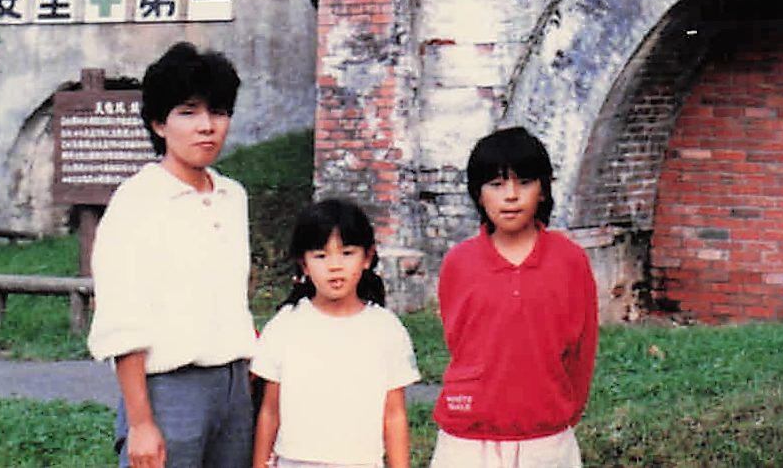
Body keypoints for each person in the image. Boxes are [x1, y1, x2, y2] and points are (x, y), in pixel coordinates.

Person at [88, 41, 256, 468]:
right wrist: (141, 422)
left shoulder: (232, 196)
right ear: (159, 124)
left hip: (236, 389)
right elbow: (122, 319)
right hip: (170, 391)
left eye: (218, 112)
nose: (207, 126)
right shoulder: (138, 200)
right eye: (188, 112)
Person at [430, 126, 599, 468]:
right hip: (467, 438)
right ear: (478, 194)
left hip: (546, 438)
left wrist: (559, 412)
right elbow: (460, 342)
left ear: (543, 189)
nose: (511, 196)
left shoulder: (570, 261)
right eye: (496, 184)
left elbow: (583, 351)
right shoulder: (459, 262)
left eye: (524, 182)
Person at [250, 198, 419, 468]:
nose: (335, 265)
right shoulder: (286, 325)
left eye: (347, 253)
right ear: (304, 264)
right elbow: (270, 411)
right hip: (295, 461)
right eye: (320, 256)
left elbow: (394, 414)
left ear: (367, 258)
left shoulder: (385, 329)